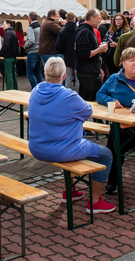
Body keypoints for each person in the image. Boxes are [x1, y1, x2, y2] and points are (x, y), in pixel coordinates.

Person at [28, 57, 115, 214]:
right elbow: (88, 111)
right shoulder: (69, 96)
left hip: (36, 147)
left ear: (45, 74)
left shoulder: (35, 91)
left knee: (64, 141)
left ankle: (70, 191)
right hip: (61, 150)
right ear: (63, 76)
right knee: (107, 155)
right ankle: (95, 201)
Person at [96, 47, 135, 194]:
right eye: (131, 60)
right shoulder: (114, 79)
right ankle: (112, 181)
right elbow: (100, 94)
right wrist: (111, 101)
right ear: (122, 63)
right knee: (114, 147)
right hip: (123, 125)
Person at [75, 9, 108, 102]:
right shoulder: (85, 32)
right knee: (88, 100)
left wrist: (98, 69)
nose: (100, 21)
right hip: (87, 73)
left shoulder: (88, 30)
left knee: (96, 98)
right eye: (99, 18)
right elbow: (85, 54)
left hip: (91, 71)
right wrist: (100, 49)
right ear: (92, 19)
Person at [55, 12, 79, 90]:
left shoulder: (62, 32)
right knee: (78, 79)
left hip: (67, 56)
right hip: (77, 57)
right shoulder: (78, 31)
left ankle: (67, 95)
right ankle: (79, 95)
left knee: (68, 79)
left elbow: (57, 46)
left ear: (66, 20)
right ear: (74, 19)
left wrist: (63, 50)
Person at [0, 20, 20, 90]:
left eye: (4, 24)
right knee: (13, 75)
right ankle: (15, 89)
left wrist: (1, 53)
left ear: (8, 24)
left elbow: (6, 45)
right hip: (14, 56)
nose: (3, 26)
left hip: (8, 57)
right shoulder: (13, 32)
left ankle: (9, 90)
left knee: (8, 75)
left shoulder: (7, 33)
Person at [24, 12, 42, 89]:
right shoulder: (40, 26)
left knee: (29, 72)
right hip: (39, 51)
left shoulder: (31, 27)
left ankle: (35, 89)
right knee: (38, 72)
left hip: (32, 52)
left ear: (30, 18)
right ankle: (40, 89)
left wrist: (25, 46)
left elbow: (31, 40)